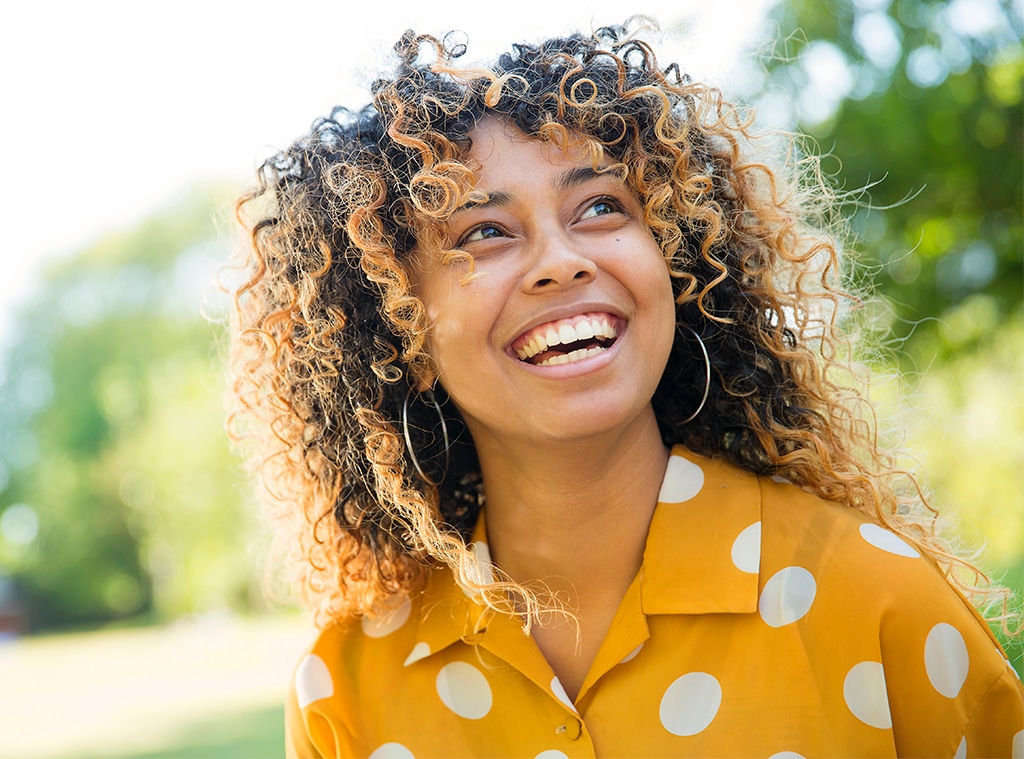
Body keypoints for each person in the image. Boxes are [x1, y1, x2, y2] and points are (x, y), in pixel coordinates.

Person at [230, 21, 1023, 759]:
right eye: (484, 231)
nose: (561, 259)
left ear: (674, 266)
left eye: (601, 207)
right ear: (402, 331)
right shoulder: (346, 684)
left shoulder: (875, 600)